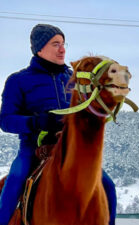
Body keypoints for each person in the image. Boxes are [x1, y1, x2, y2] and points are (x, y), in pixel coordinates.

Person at [0, 24, 117, 225]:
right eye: (55, 44)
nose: (62, 49)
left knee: (107, 185)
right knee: (15, 180)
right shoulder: (18, 81)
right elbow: (6, 120)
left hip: (71, 151)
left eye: (63, 44)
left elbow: (88, 112)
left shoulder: (74, 79)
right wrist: (36, 122)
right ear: (39, 48)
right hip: (33, 149)